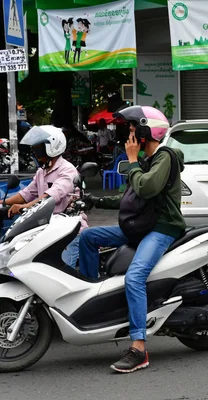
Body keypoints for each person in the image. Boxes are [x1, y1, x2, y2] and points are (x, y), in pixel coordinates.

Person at [79, 105, 185, 373]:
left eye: (132, 127)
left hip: (162, 228)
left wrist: (133, 160)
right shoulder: (148, 160)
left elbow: (146, 187)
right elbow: (131, 195)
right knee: (88, 238)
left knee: (134, 277)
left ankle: (138, 347)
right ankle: (94, 303)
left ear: (147, 130)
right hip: (142, 225)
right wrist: (95, 200)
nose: (129, 133)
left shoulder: (165, 157)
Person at [4, 125, 86, 268]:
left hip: (69, 231)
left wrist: (24, 207)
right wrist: (3, 202)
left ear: (52, 145)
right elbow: (26, 194)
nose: (35, 149)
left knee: (61, 273)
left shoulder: (67, 170)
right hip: (47, 230)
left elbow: (52, 196)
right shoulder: (41, 171)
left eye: (39, 146)